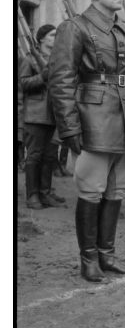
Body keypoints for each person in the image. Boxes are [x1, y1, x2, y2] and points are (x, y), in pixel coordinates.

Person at [49, 0, 125, 282]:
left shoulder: (123, 31)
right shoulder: (75, 27)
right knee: (91, 190)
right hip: (94, 121)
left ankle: (107, 255)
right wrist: (70, 128)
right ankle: (88, 260)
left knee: (117, 190)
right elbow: (61, 82)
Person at [20, 23, 64, 209]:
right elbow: (23, 84)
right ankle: (32, 196)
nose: (56, 38)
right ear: (41, 39)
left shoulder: (59, 60)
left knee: (49, 157)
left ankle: (45, 193)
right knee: (35, 156)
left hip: (53, 115)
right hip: (36, 115)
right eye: (53, 35)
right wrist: (43, 76)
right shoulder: (29, 60)